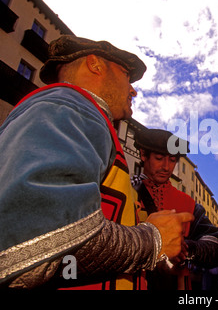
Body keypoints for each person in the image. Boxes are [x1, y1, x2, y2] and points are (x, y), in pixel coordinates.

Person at [0, 35, 193, 289]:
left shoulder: (73, 112)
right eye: (126, 74)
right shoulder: (72, 107)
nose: (133, 89)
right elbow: (32, 244)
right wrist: (151, 241)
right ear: (95, 65)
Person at [131, 128, 218, 290]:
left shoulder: (187, 203)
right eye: (159, 158)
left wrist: (187, 249)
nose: (166, 167)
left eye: (172, 160)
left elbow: (217, 247)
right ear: (143, 155)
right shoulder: (127, 190)